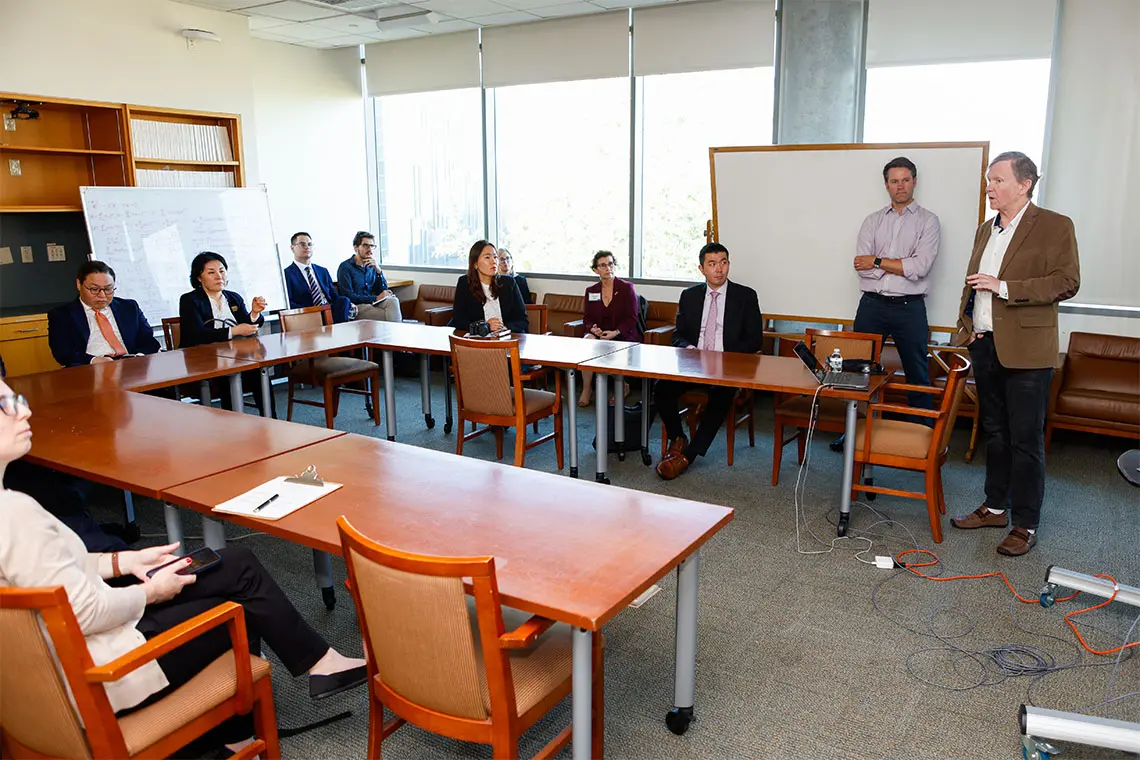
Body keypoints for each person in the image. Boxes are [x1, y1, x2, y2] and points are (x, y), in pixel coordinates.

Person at [0, 380, 367, 752]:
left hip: (41, 679)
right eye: (4, 406)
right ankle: (243, 733)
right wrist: (149, 592)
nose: (24, 411)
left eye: (16, 399)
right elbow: (87, 612)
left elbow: (47, 571)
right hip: (104, 672)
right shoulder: (15, 514)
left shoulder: (9, 509)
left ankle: (313, 669)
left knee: (234, 563)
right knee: (235, 606)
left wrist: (122, 560)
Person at [949, 152, 1080, 557]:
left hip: (1028, 351)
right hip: (986, 345)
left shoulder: (1055, 226)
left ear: (1024, 185)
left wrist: (1004, 286)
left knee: (1026, 440)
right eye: (989, 180)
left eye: (998, 180)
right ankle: (994, 506)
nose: (990, 187)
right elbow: (972, 285)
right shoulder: (984, 230)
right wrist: (966, 330)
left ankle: (1025, 524)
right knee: (997, 434)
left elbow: (1066, 282)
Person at [834, 157, 941, 449]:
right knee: (858, 371)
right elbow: (861, 266)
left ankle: (925, 437)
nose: (900, 186)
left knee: (918, 372)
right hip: (872, 305)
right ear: (886, 185)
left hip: (910, 308)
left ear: (914, 181)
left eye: (905, 180)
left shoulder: (928, 221)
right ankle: (853, 433)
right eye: (894, 181)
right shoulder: (872, 221)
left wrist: (878, 261)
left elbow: (920, 267)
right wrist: (898, 265)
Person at [655, 243, 763, 480]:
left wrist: (726, 355)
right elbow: (678, 335)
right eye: (712, 264)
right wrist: (691, 349)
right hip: (695, 363)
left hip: (727, 367)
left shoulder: (745, 296)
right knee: (661, 388)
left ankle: (688, 456)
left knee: (721, 396)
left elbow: (755, 339)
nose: (719, 269)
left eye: (723, 262)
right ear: (702, 268)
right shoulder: (690, 296)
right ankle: (678, 438)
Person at [178, 252, 268, 413]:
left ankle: (269, 416)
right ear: (199, 277)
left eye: (222, 271)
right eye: (211, 272)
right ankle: (231, 424)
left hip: (237, 355)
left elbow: (246, 325)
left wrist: (254, 313)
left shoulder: (233, 298)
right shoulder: (190, 300)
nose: (219, 276)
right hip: (204, 358)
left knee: (260, 369)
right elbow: (197, 334)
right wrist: (233, 331)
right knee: (228, 372)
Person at [47, 260, 161, 367]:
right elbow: (62, 353)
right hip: (91, 369)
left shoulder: (129, 308)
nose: (102, 295)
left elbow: (149, 341)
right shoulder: (62, 315)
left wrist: (139, 357)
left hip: (130, 366)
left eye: (108, 289)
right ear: (78, 284)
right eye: (94, 289)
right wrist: (94, 360)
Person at [576, 250, 642, 407]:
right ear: (595, 269)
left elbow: (632, 318)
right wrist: (593, 329)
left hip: (622, 333)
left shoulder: (626, 288)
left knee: (612, 346)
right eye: (603, 265)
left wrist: (616, 332)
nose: (608, 268)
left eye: (610, 264)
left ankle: (623, 386)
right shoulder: (591, 290)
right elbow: (588, 318)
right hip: (600, 333)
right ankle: (587, 388)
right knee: (588, 342)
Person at [449, 240, 529, 334]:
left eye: (495, 257)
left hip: (506, 338)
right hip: (478, 340)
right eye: (487, 257)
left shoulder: (508, 283)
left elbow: (522, 319)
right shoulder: (465, 283)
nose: (493, 261)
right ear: (475, 264)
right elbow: (458, 320)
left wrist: (505, 328)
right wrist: (484, 326)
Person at [283, 231, 354, 323]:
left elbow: (334, 296)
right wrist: (313, 311)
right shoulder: (287, 274)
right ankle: (335, 328)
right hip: (308, 313)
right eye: (302, 244)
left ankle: (337, 327)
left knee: (344, 300)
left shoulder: (322, 271)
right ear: (292, 248)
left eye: (309, 244)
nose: (307, 247)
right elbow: (289, 303)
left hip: (329, 309)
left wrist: (349, 304)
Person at [336, 231, 402, 322]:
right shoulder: (345, 267)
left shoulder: (371, 266)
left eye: (372, 246)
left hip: (373, 303)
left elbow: (383, 290)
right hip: (356, 306)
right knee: (387, 315)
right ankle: (396, 333)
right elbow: (349, 296)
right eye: (365, 246)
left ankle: (394, 332)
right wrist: (375, 298)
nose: (370, 250)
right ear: (356, 247)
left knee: (393, 301)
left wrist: (378, 271)